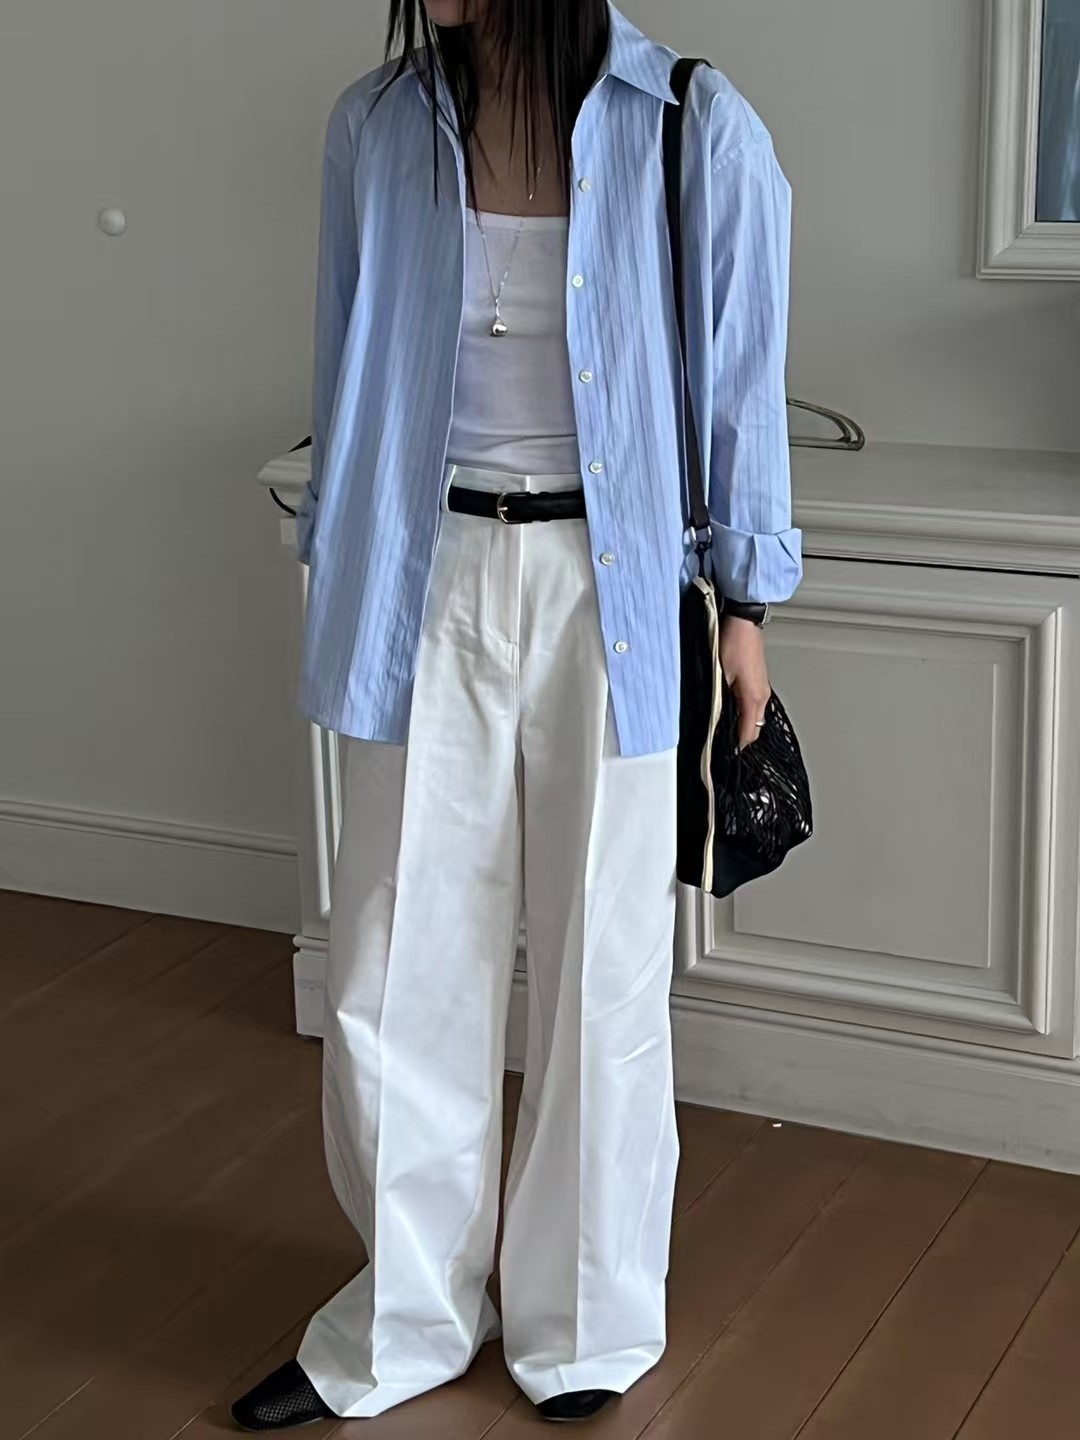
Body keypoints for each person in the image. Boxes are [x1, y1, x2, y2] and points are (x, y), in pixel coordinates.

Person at [231, 0, 801, 1429]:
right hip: (418, 573)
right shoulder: (378, 126)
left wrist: (747, 608)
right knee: (392, 962)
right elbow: (344, 361)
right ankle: (405, 1323)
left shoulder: (691, 126)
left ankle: (584, 1325)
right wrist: (341, 564)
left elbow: (744, 380)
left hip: (614, 590)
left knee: (604, 969)